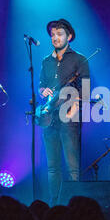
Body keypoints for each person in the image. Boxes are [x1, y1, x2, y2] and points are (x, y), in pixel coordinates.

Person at [39, 19, 89, 206]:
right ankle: (55, 205)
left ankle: (75, 206)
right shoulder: (45, 61)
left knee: (73, 168)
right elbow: (41, 84)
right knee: (52, 168)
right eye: (52, 35)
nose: (55, 38)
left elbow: (85, 90)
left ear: (69, 36)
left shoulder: (79, 59)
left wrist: (74, 108)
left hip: (69, 118)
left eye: (59, 34)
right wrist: (42, 91)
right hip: (49, 117)